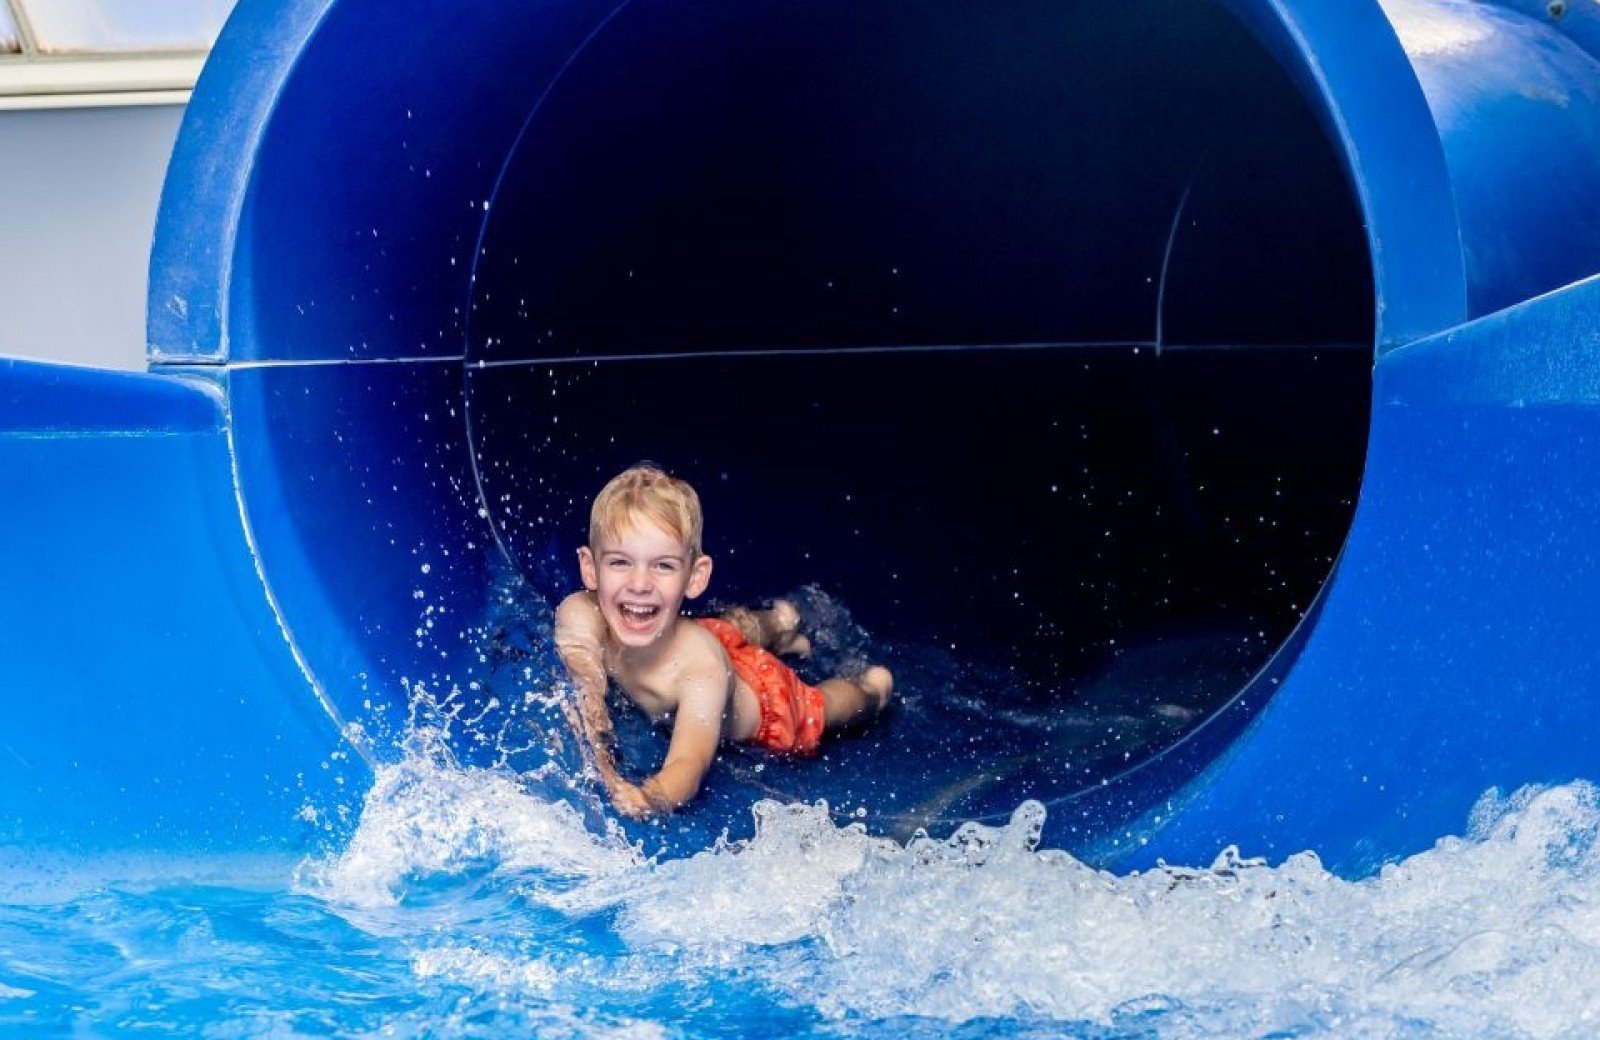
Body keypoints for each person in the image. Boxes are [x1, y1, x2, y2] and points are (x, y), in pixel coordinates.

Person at [553, 464, 893, 818]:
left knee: (817, 709)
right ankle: (779, 624)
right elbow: (582, 683)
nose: (640, 584)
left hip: (765, 699)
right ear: (590, 568)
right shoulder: (581, 613)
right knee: (728, 627)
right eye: (620, 562)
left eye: (663, 566)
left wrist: (651, 795)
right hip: (702, 632)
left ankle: (871, 691)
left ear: (695, 578)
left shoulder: (701, 670)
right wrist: (597, 749)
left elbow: (691, 759)